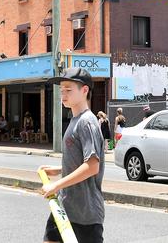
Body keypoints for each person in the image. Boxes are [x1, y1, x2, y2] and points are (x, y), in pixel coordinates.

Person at [38, 68, 105, 243]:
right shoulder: (75, 120)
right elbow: (82, 161)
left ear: (84, 91)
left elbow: (92, 166)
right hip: (65, 208)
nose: (63, 94)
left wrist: (56, 185)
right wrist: (60, 169)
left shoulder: (87, 121)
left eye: (68, 90)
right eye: (61, 90)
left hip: (85, 214)